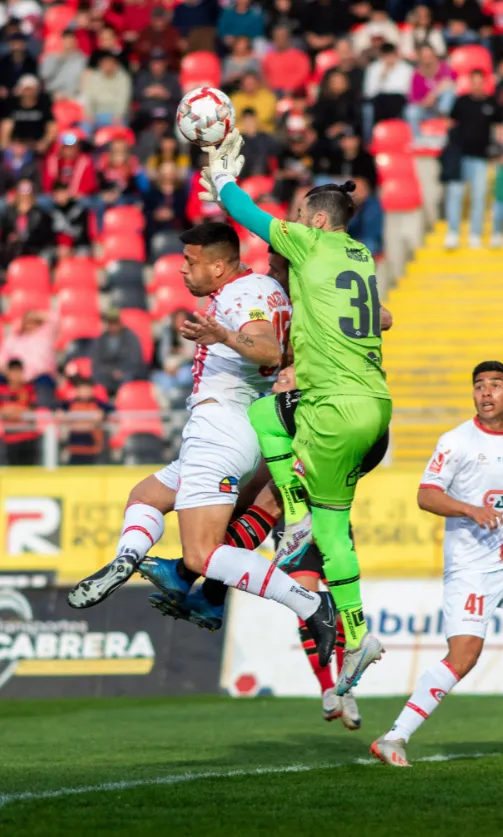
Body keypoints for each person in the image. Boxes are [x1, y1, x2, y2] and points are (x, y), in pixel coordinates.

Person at [67, 223, 336, 668]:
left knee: (203, 553)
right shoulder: (268, 287)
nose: (182, 270)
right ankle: (129, 559)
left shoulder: (239, 295)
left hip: (220, 428)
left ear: (218, 264)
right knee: (146, 497)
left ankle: (310, 605)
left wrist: (225, 336)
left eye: (190, 262)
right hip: (239, 426)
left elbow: (269, 351)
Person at [200, 131, 392, 694]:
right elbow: (383, 318)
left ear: (320, 221)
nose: (297, 221)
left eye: (303, 214)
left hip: (332, 405)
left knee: (263, 416)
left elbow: (246, 214)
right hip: (375, 407)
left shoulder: (312, 244)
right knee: (335, 533)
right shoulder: (362, 255)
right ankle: (359, 638)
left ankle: (292, 510)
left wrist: (222, 178)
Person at [372, 361, 503, 768]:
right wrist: (468, 510)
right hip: (470, 569)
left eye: (495, 385)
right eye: (479, 386)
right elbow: (426, 495)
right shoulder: (455, 441)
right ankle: (393, 738)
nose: (486, 392)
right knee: (464, 657)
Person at [444, 70, 501, 250]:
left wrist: (498, 151)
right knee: (455, 195)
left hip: (481, 158)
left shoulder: (491, 103)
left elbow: (498, 128)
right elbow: (450, 123)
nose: (476, 85)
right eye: (473, 82)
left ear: (484, 83)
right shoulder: (461, 102)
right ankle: (453, 232)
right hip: (460, 157)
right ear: (469, 82)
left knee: (479, 196)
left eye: (480, 82)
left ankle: (475, 234)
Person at [58, 376, 113, 465]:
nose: (85, 393)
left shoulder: (99, 405)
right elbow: (58, 414)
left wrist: (102, 417)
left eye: (87, 390)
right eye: (82, 390)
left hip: (93, 447)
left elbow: (111, 413)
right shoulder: (69, 405)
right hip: (74, 447)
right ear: (77, 391)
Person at [0, 309, 57, 394]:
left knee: (45, 382)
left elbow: (55, 320)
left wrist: (36, 315)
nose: (29, 324)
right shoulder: (12, 340)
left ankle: (43, 406)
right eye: (27, 321)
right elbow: (2, 360)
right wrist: (11, 374)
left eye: (33, 322)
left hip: (38, 377)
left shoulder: (45, 337)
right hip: (12, 376)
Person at [91, 309, 145, 397]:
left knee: (128, 378)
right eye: (110, 323)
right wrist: (111, 372)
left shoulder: (131, 338)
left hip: (126, 373)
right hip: (107, 374)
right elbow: (96, 364)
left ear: (120, 322)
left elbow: (136, 361)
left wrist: (122, 371)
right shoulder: (101, 340)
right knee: (97, 380)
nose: (112, 326)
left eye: (115, 322)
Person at [0, 177, 52, 268]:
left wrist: (26, 240)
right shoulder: (9, 212)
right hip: (12, 249)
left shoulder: (40, 214)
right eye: (22, 190)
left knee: (46, 256)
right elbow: (5, 233)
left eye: (27, 190)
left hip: (34, 248)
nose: (24, 195)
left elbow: (45, 237)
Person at [405, 45, 456, 139]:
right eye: (424, 57)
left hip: (442, 108)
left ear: (434, 56)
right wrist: (425, 102)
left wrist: (433, 95)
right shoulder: (417, 74)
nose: (427, 59)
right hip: (426, 108)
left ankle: (444, 117)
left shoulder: (443, 68)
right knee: (411, 111)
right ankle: (417, 139)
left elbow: (450, 82)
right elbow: (413, 98)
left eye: (429, 56)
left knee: (449, 92)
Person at [0, 74, 57, 154]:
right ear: (20, 90)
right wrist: (7, 146)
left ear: (36, 90)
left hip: (37, 145)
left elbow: (51, 126)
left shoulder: (43, 105)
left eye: (31, 89)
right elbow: (6, 126)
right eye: (26, 89)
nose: (28, 93)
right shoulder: (12, 105)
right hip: (16, 145)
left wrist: (44, 143)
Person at [0, 358, 40, 465]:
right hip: (8, 440)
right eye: (13, 371)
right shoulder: (2, 390)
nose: (16, 375)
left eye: (18, 371)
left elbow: (33, 410)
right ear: (7, 372)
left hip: (27, 438)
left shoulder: (29, 389)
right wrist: (16, 410)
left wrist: (12, 410)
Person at [363, 42, 413, 125]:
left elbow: (407, 91)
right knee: (377, 102)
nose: (389, 58)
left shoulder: (406, 69)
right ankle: (378, 132)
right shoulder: (373, 68)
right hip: (379, 100)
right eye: (386, 55)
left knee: (396, 100)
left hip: (398, 99)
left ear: (396, 54)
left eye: (391, 55)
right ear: (381, 56)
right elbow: (368, 92)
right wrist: (383, 76)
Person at [83, 51, 132, 130]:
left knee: (121, 127)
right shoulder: (94, 78)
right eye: (105, 63)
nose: (108, 65)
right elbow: (88, 98)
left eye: (110, 62)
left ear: (115, 64)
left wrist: (118, 115)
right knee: (85, 125)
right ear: (100, 64)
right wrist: (89, 114)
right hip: (96, 114)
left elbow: (123, 100)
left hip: (116, 115)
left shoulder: (123, 78)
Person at [43, 132, 98, 200]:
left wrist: (73, 195)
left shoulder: (85, 161)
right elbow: (48, 183)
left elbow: (90, 184)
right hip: (55, 197)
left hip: (78, 197)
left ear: (77, 148)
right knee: (42, 200)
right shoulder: (52, 160)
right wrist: (58, 194)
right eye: (66, 148)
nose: (69, 150)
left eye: (72, 148)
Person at [152, 308, 196, 394]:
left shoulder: (191, 335)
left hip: (184, 367)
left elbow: (191, 354)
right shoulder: (167, 334)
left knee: (185, 376)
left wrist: (177, 365)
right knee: (161, 380)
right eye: (177, 319)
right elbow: (162, 355)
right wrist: (167, 366)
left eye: (183, 320)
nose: (180, 322)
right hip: (166, 369)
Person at [133, 47, 181, 121]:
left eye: (160, 63)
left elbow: (179, 97)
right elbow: (134, 95)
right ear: (150, 64)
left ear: (165, 63)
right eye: (154, 63)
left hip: (168, 114)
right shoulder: (143, 77)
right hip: (146, 114)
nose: (157, 66)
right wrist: (146, 92)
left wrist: (167, 95)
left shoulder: (173, 78)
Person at [39, 29, 86, 100]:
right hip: (52, 94)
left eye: (71, 39)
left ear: (76, 41)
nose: (69, 42)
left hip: (75, 96)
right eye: (66, 39)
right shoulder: (50, 57)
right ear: (61, 40)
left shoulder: (82, 60)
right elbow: (44, 76)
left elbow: (84, 80)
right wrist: (58, 60)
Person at [50, 180, 91, 259]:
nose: (61, 196)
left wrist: (70, 247)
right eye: (58, 193)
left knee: (82, 255)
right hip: (60, 248)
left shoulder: (79, 210)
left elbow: (83, 234)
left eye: (63, 192)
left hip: (78, 246)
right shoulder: (52, 212)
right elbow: (51, 235)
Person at [136, 6, 182, 71]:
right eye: (156, 19)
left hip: (169, 67)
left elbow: (177, 50)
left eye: (161, 19)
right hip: (148, 67)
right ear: (151, 19)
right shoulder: (145, 32)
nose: (159, 21)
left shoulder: (173, 32)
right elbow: (138, 48)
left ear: (166, 20)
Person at [238, 108, 279, 179]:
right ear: (243, 121)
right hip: (244, 179)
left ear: (255, 120)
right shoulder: (238, 140)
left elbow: (273, 160)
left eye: (250, 119)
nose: (249, 123)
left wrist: (274, 174)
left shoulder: (265, 138)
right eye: (246, 120)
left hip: (264, 178)